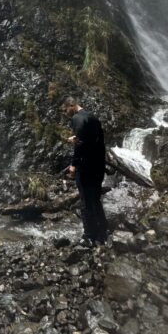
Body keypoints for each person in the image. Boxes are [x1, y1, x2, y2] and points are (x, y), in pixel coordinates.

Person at [61, 97, 108, 246]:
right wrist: (76, 138)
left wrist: (74, 165)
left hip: (86, 166)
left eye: (65, 110)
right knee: (95, 199)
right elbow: (94, 141)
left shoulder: (77, 118)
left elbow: (80, 144)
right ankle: (103, 231)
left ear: (72, 105)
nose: (65, 113)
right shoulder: (92, 117)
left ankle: (89, 236)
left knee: (85, 201)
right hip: (98, 165)